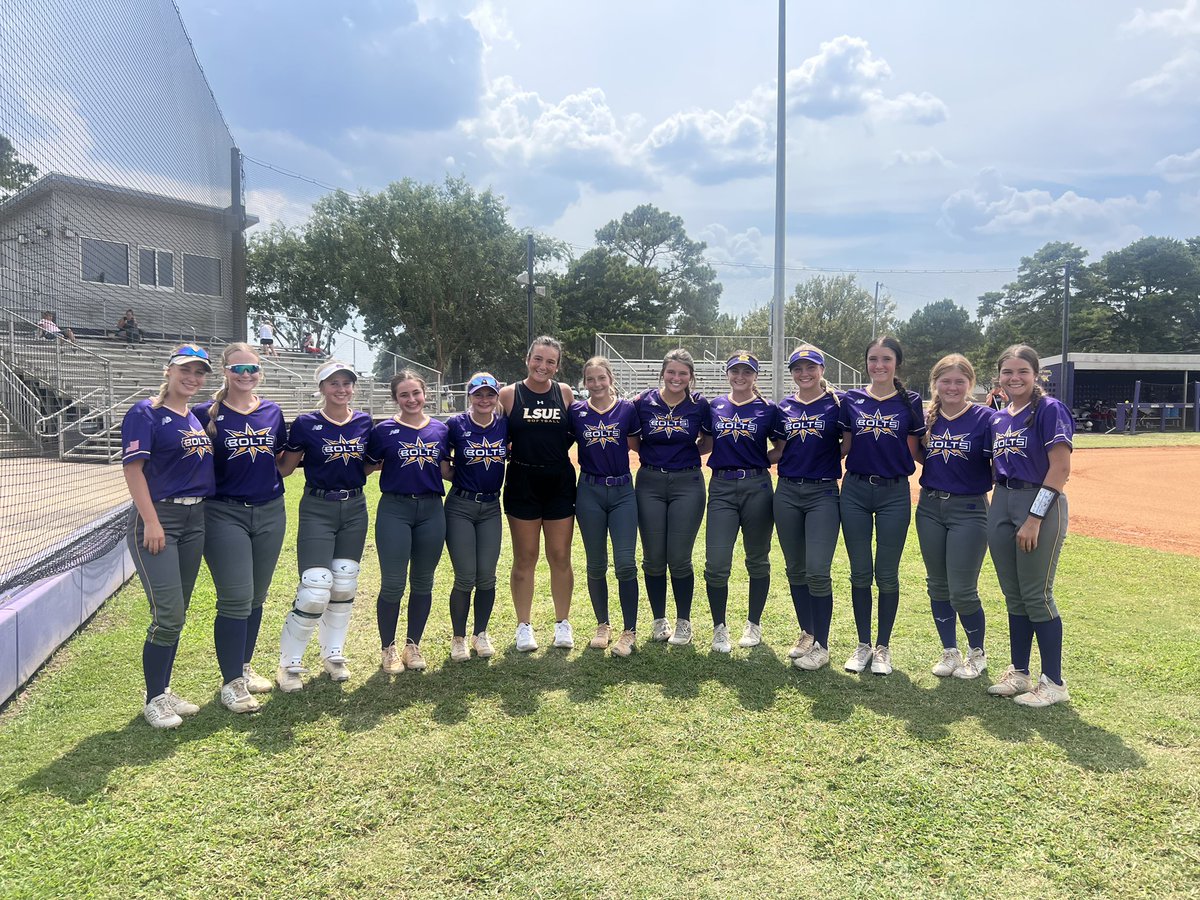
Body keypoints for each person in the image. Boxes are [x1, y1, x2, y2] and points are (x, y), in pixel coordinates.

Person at [121, 344, 215, 728]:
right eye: (185, 370)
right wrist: (152, 521)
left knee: (178, 611)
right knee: (169, 613)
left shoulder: (192, 417)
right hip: (159, 519)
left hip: (195, 519)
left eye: (199, 372)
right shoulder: (145, 412)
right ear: (169, 371)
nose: (192, 377)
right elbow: (133, 471)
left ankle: (163, 689)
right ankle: (154, 699)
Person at [194, 344, 287, 713]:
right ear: (225, 371)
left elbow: (281, 460)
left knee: (256, 597)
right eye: (238, 368)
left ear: (260, 371)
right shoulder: (204, 413)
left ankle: (244, 668)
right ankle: (231, 682)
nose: (245, 375)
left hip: (270, 511)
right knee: (235, 597)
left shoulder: (272, 411)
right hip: (223, 513)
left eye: (252, 368)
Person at [274, 361, 371, 691]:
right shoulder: (306, 423)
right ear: (322, 388)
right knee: (315, 588)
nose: (341, 389)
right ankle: (289, 664)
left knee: (344, 583)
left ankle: (334, 654)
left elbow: (368, 465)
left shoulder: (364, 422)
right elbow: (285, 468)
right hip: (318, 506)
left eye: (346, 383)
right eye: (334, 383)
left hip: (355, 506)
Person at [986, 344, 1074, 707]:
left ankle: (1054, 682)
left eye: (1022, 371)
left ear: (1036, 374)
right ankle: (1020, 672)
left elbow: (1060, 468)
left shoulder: (1049, 409)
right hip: (1002, 499)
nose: (1014, 378)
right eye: (1007, 372)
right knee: (1014, 594)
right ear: (999, 376)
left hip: (1039, 501)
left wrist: (1035, 518)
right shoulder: (998, 417)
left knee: (1037, 595)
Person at [838, 335, 926, 676]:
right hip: (855, 491)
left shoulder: (910, 401)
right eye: (873, 359)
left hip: (894, 492)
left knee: (887, 573)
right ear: (866, 363)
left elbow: (916, 451)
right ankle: (863, 644)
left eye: (886, 359)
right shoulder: (851, 399)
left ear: (897, 363)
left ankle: (883, 647)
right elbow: (845, 446)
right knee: (860, 571)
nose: (879, 365)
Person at [914, 355, 994, 681]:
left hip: (969, 509)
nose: (952, 387)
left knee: (962, 590)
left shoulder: (985, 418)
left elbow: (999, 464)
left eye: (959, 381)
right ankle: (950, 651)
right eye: (945, 381)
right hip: (930, 507)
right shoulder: (927, 419)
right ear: (935, 384)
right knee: (937, 585)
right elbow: (921, 455)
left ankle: (977, 653)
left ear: (970, 384)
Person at [366, 371, 449, 673]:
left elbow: (446, 468)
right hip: (395, 509)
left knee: (424, 581)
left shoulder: (440, 429)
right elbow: (366, 467)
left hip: (431, 509)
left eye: (416, 393)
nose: (411, 399)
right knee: (393, 583)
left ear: (425, 394)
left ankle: (412, 645)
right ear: (395, 398)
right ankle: (388, 648)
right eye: (404, 394)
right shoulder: (383, 431)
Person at [498, 336, 576, 652]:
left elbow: (573, 434)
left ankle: (562, 623)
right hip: (522, 481)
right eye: (538, 359)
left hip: (559, 482)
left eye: (550, 361)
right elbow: (494, 434)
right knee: (525, 557)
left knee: (560, 556)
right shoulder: (509, 395)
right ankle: (523, 626)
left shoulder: (565, 393)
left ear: (557, 366)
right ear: (527, 359)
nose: (543, 366)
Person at [770, 346, 845, 672]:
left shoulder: (837, 404)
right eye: (798, 368)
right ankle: (808, 633)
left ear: (821, 370)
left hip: (822, 492)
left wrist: (822, 461)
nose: (804, 373)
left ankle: (822, 646)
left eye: (810, 367)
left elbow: (847, 444)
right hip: (787, 491)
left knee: (817, 570)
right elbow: (780, 449)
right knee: (795, 569)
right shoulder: (783, 407)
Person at [701, 352, 779, 653]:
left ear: (755, 376)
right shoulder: (715, 406)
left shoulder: (767, 409)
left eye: (747, 372)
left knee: (757, 558)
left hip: (756, 486)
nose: (740, 377)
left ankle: (753, 623)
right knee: (716, 563)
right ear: (728, 374)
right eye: (735, 371)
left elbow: (781, 448)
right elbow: (706, 443)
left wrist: (756, 460)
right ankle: (719, 628)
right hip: (721, 486)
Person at [632, 349, 711, 646]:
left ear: (691, 376)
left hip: (687, 482)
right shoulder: (643, 402)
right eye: (671, 372)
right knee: (653, 558)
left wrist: (680, 455)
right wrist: (658, 457)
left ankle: (683, 622)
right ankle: (658, 619)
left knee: (679, 558)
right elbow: (634, 440)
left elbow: (707, 443)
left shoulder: (699, 405)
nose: (676, 378)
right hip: (650, 482)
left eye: (683, 373)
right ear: (662, 373)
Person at [570, 357, 642, 656]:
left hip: (623, 490)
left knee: (625, 563)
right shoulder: (576, 412)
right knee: (596, 563)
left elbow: (639, 445)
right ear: (584, 382)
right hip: (590, 490)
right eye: (591, 379)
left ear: (610, 378)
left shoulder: (627, 409)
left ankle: (629, 630)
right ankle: (603, 624)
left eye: (602, 378)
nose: (597, 384)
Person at [443, 373, 507, 661]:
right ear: (469, 396)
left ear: (496, 397)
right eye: (478, 394)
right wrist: (461, 479)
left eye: (490, 394)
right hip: (461, 505)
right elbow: (442, 460)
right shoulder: (456, 424)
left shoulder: (503, 425)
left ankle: (480, 633)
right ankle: (458, 638)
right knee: (465, 575)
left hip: (491, 507)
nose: (484, 399)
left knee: (487, 576)